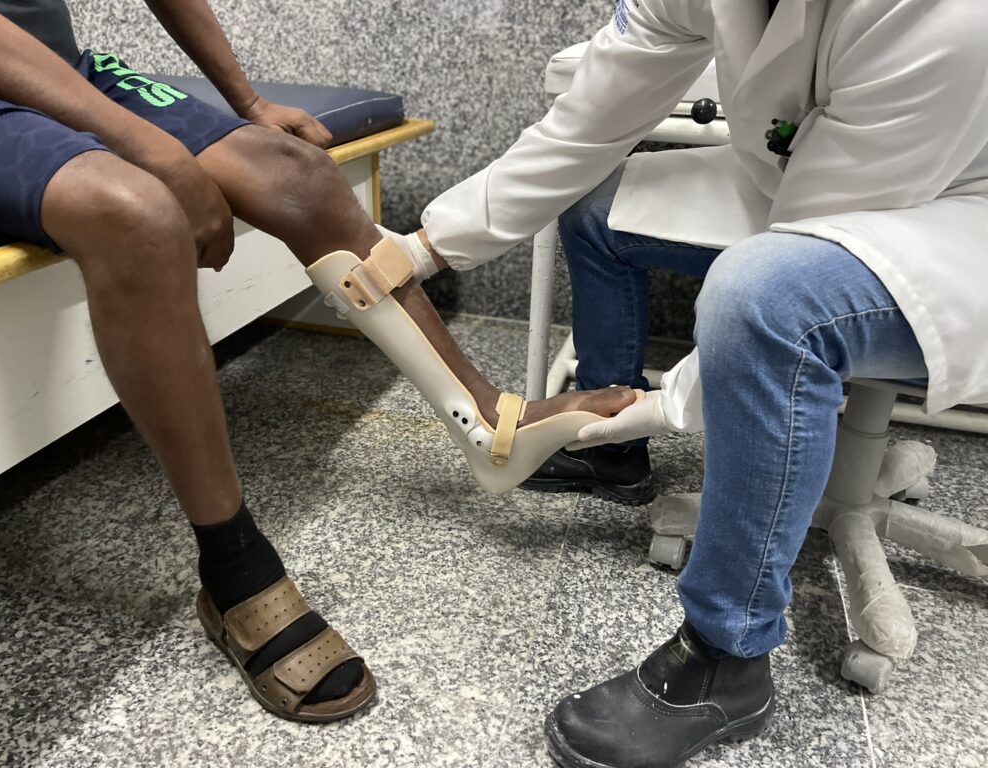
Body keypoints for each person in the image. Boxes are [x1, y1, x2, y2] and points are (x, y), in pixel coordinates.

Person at [0, 0, 637, 723]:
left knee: (300, 173)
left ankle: (488, 422)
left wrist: (247, 102)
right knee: (139, 212)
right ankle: (233, 566)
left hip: (63, 73)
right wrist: (155, 152)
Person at [414, 0, 988, 765]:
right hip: (813, 173)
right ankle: (613, 461)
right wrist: (428, 246)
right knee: (596, 212)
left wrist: (661, 404)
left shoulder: (944, 14)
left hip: (954, 216)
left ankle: (727, 653)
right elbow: (592, 113)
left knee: (767, 302)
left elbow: (821, 237)